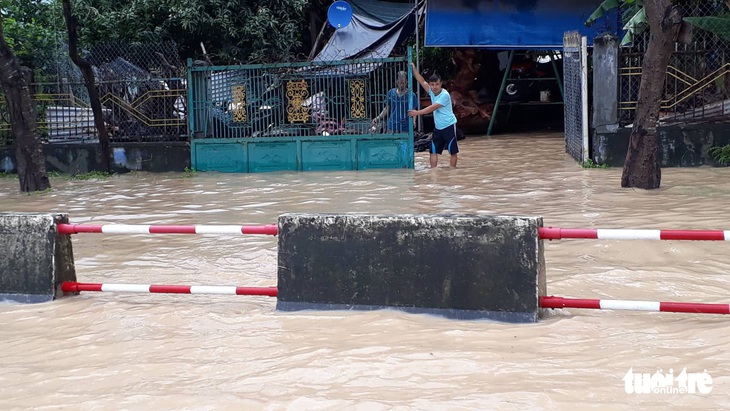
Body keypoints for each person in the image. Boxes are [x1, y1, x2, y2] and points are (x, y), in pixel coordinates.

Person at [407, 63, 459, 168]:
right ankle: (433, 173)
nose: (435, 87)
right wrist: (414, 69)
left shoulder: (444, 95)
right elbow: (421, 81)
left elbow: (431, 108)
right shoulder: (431, 92)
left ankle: (453, 173)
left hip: (449, 125)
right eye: (432, 85)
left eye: (437, 84)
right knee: (433, 151)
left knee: (452, 151)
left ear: (441, 84)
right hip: (438, 127)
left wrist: (416, 113)